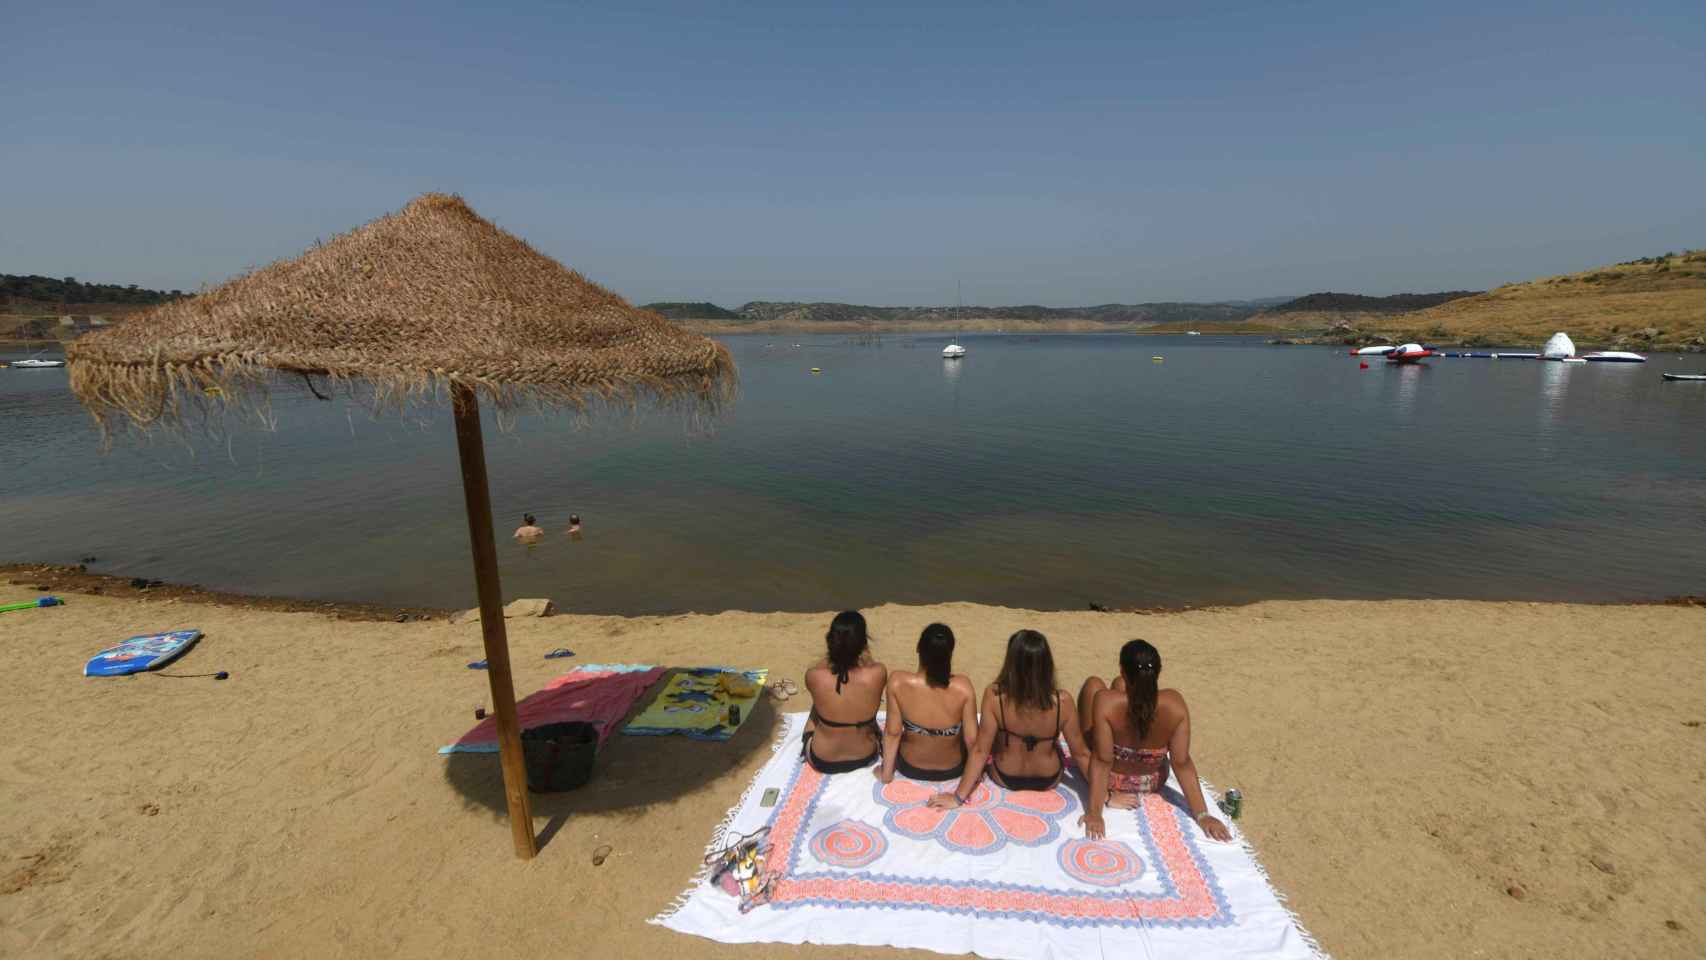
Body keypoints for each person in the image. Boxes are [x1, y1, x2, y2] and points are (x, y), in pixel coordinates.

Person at [1075, 639, 1231, 842]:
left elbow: (1102, 761)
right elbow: (1181, 763)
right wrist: (1203, 814)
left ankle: (1111, 791)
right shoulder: (1174, 703)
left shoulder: (1106, 701)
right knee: (1119, 686)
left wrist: (1095, 812)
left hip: (1113, 780)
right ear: (1158, 671)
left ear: (1123, 669)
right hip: (1151, 781)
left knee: (1093, 684)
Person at [930, 629, 1092, 810]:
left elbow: (980, 750)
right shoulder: (1062, 702)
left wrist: (958, 798)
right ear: (1047, 664)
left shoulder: (995, 696)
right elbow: (1082, 754)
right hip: (1048, 778)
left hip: (1006, 776)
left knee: (994, 738)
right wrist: (1107, 797)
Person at [879, 623, 978, 783]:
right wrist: (977, 776)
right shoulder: (963, 687)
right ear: (950, 654)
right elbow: (972, 741)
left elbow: (893, 733)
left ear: (918, 648)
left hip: (910, 766)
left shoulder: (898, 682)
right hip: (952, 769)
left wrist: (886, 774)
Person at [802, 611, 887, 775]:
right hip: (866, 755)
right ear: (863, 642)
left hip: (822, 758)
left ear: (830, 641)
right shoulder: (878, 672)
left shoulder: (814, 675)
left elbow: (833, 669)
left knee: (819, 705)